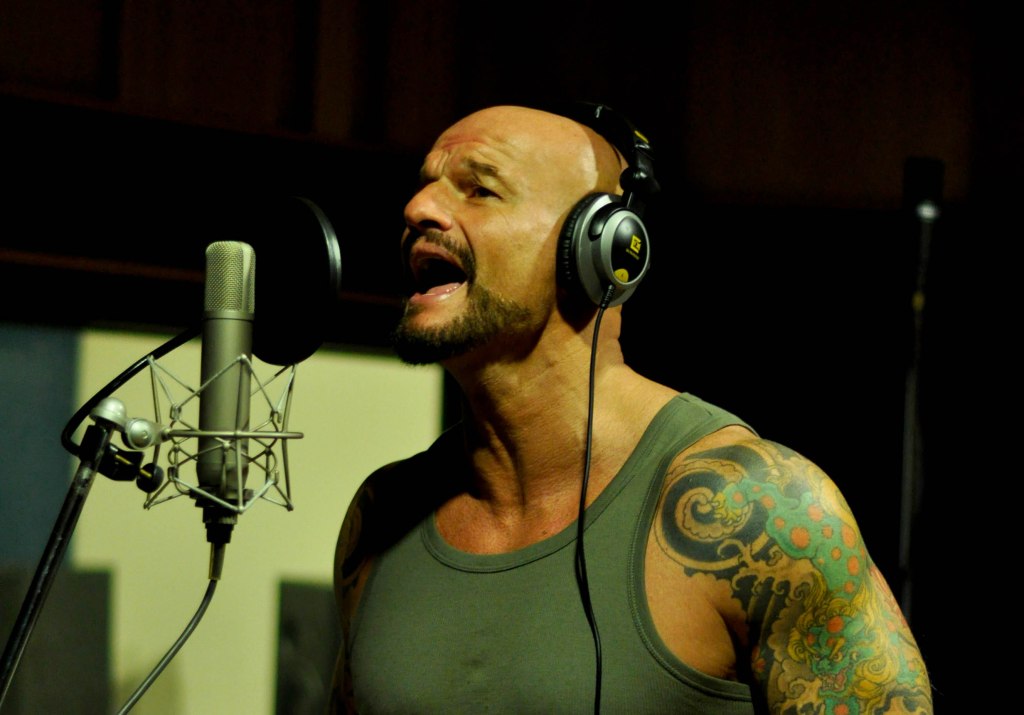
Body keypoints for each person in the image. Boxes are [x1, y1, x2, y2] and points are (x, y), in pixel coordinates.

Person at [329, 102, 933, 714]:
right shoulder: (380, 517)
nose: (418, 208)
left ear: (601, 248)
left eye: (480, 189)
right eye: (425, 184)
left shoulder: (758, 511)